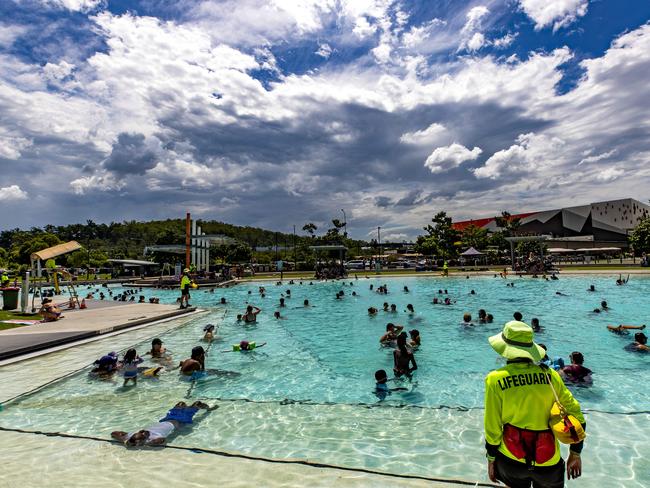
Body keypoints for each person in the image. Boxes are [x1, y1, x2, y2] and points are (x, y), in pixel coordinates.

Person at [485, 320, 585, 487]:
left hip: (511, 458)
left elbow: (492, 428)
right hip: (548, 461)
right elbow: (577, 414)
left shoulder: (495, 379)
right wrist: (575, 453)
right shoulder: (551, 375)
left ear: (504, 348)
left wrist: (491, 459)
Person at [111, 401, 215, 446]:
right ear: (144, 439)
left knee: (181, 404)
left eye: (142, 432)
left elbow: (114, 433)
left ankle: (206, 408)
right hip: (181, 420)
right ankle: (209, 409)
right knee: (196, 404)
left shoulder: (131, 435)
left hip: (168, 418)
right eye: (144, 434)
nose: (145, 432)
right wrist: (148, 443)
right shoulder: (153, 437)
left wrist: (125, 439)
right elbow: (162, 440)